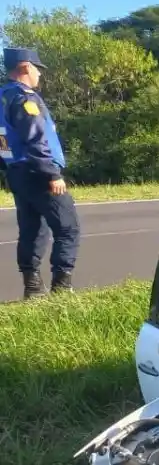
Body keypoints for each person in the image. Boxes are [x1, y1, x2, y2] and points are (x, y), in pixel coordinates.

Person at [1, 47, 81, 299]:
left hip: (17, 171)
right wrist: (51, 174)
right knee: (68, 228)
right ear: (25, 67)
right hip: (37, 172)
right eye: (38, 69)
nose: (40, 74)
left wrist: (9, 168)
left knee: (32, 230)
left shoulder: (3, 97)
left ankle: (33, 288)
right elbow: (35, 139)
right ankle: (62, 289)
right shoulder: (25, 99)